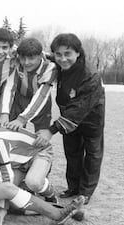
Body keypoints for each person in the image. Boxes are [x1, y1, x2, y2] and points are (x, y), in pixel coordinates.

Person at [41, 33, 105, 204]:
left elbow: (78, 109)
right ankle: (73, 188)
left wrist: (51, 130)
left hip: (90, 120)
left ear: (78, 52)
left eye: (67, 54)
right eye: (58, 54)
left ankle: (85, 193)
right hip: (68, 121)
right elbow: (42, 55)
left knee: (92, 155)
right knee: (72, 153)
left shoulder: (90, 76)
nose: (63, 59)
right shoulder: (59, 64)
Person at [0, 37, 57, 137]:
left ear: (41, 56)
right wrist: (4, 114)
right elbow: (9, 87)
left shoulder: (50, 68)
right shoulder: (16, 60)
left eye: (31, 58)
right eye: (23, 58)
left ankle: (45, 152)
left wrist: (22, 119)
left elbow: (41, 95)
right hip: (20, 99)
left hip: (41, 102)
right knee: (10, 130)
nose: (26, 62)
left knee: (41, 137)